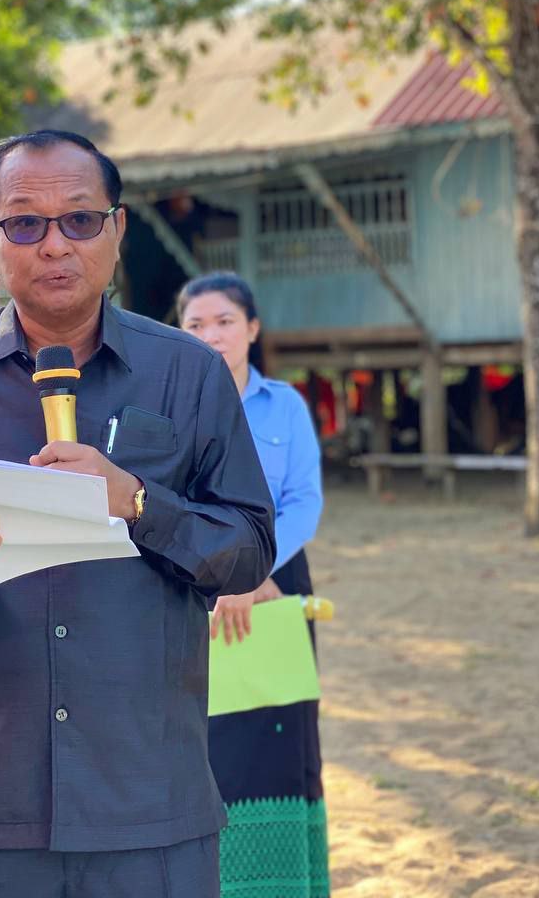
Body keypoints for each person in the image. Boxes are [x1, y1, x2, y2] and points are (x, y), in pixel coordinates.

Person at [0, 129, 276, 898]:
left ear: (117, 229)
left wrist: (138, 503)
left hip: (149, 810)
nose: (54, 244)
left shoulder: (190, 374)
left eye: (79, 219)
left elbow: (248, 551)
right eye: (24, 224)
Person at [178, 272, 329, 898]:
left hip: (275, 584)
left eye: (225, 322)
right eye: (195, 325)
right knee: (206, 737)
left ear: (253, 329)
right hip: (195, 584)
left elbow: (305, 502)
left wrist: (253, 571)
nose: (212, 336)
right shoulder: (170, 407)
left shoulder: (285, 405)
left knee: (278, 733)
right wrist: (220, 577)